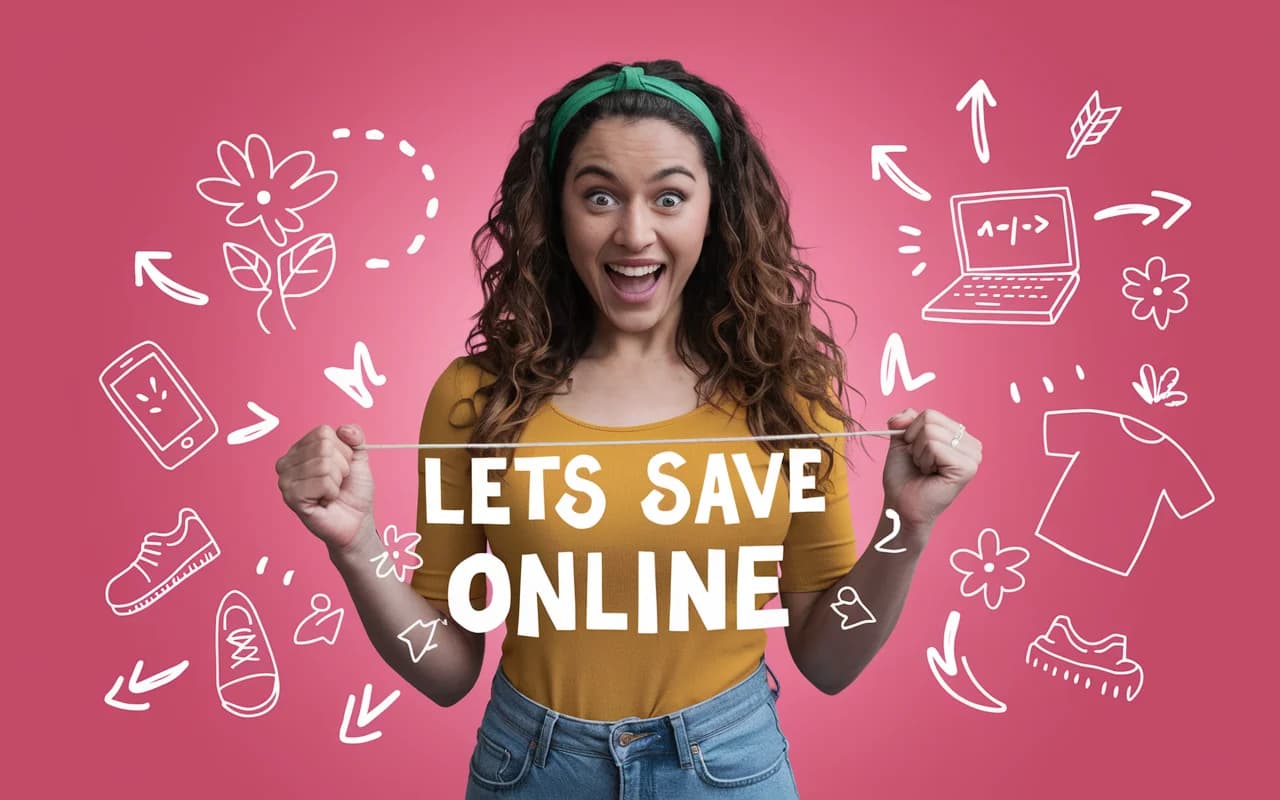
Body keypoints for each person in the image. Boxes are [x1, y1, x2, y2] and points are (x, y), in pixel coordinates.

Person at [276, 59, 981, 799]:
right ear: (557, 211)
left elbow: (828, 662)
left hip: (728, 767)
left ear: (716, 211)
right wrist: (358, 550)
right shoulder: (475, 399)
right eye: (601, 196)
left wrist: (905, 527)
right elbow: (447, 671)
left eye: (670, 197)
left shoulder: (786, 399)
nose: (634, 233)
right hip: (531, 768)